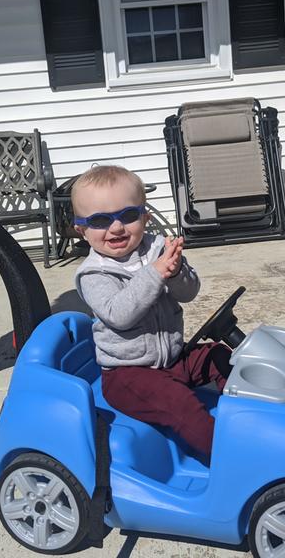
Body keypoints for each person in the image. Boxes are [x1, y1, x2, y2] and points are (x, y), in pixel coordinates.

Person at [72, 165, 232, 464]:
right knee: (180, 404)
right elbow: (119, 314)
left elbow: (189, 293)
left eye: (128, 215)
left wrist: (175, 272)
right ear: (81, 230)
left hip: (173, 358)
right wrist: (155, 274)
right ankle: (228, 459)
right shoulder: (92, 274)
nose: (117, 228)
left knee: (221, 356)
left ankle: (253, 417)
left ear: (145, 216)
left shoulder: (157, 249)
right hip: (128, 374)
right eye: (100, 220)